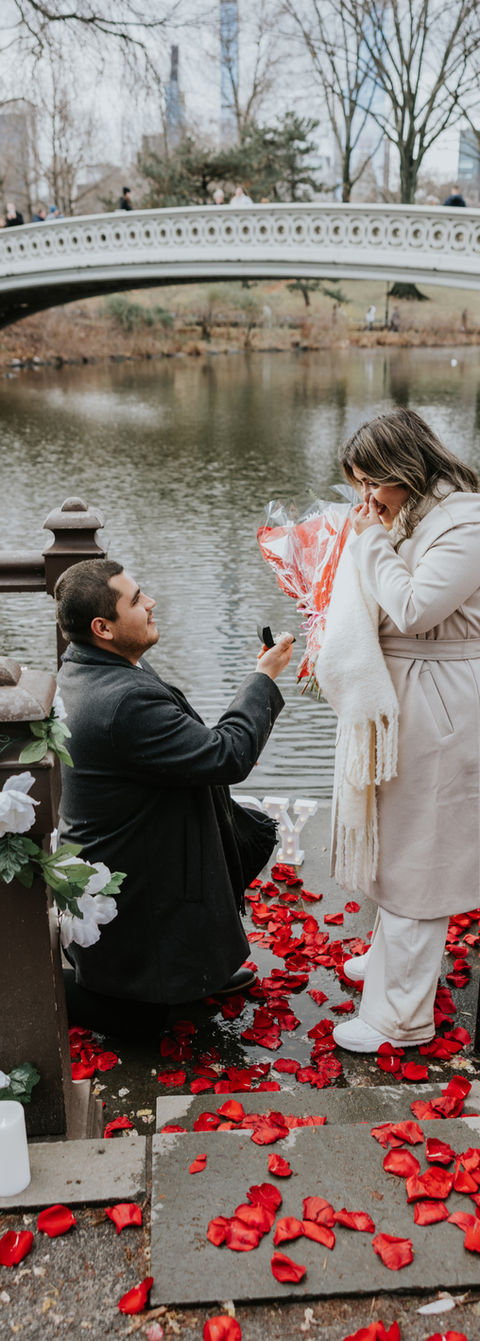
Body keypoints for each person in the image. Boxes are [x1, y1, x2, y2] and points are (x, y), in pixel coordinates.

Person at [55, 559, 293, 1011]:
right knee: (144, 1019)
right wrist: (263, 677)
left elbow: (195, 746)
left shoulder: (89, 667)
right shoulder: (123, 700)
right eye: (136, 600)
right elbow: (226, 755)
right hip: (133, 890)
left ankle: (194, 971)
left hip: (127, 848)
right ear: (103, 628)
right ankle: (140, 990)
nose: (151, 602)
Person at [322, 409, 480, 1053]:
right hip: (408, 693)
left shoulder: (467, 524)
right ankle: (390, 963)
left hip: (439, 700)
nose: (365, 498)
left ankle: (401, 1019)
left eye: (372, 482)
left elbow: (414, 610)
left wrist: (368, 543)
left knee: (422, 852)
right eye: (358, 484)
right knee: (401, 840)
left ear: (406, 468)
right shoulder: (414, 513)